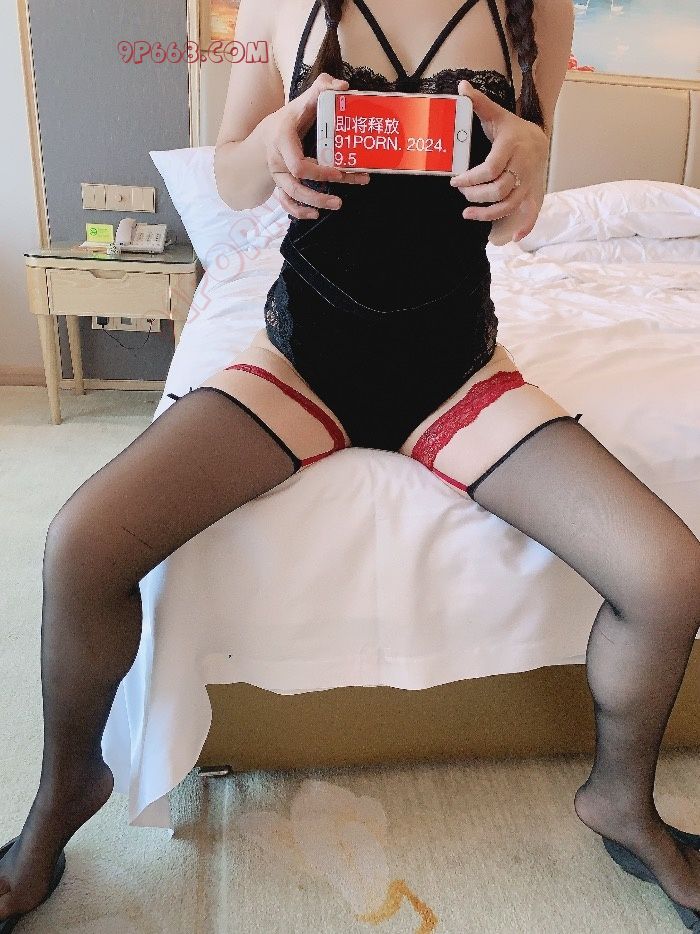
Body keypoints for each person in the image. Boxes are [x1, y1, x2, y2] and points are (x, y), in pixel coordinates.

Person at [2, 0, 699, 929]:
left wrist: (532, 161)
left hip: (454, 370)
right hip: (304, 361)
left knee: (668, 574)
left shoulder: (539, 11)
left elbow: (506, 225)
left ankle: (621, 799)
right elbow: (232, 179)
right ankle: (65, 790)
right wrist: (270, 151)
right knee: (81, 544)